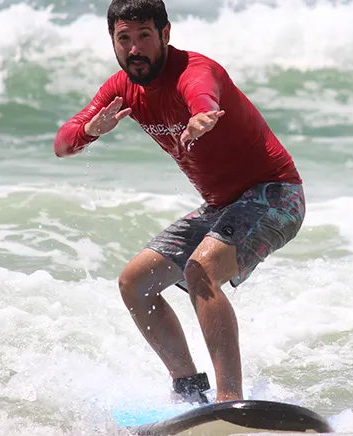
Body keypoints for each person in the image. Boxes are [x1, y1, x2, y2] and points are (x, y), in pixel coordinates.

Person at [54, 0, 305, 404]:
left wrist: (202, 115)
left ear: (165, 35)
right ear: (113, 43)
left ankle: (229, 401)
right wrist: (89, 130)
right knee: (135, 283)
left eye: (144, 36)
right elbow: (62, 143)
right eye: (125, 39)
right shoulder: (122, 89)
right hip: (221, 206)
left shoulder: (194, 70)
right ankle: (190, 393)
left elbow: (202, 95)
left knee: (200, 269)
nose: (134, 49)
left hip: (275, 193)